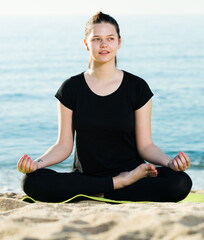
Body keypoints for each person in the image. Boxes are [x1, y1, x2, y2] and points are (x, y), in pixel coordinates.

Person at [17, 11, 192, 203]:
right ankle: (116, 185)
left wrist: (170, 162)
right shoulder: (71, 88)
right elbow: (63, 145)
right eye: (96, 39)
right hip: (87, 177)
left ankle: (104, 189)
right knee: (31, 181)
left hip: (134, 175)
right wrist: (36, 164)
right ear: (86, 43)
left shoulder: (137, 87)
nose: (104, 44)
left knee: (180, 182)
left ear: (119, 42)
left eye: (110, 38)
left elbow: (146, 145)